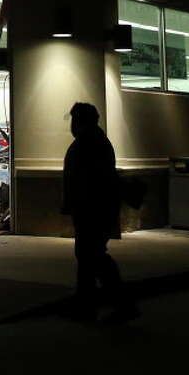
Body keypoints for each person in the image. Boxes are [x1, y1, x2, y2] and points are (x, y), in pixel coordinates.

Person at [62, 102, 140, 323]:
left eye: (75, 120)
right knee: (89, 258)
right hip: (94, 209)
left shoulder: (90, 143)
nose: (72, 125)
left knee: (92, 257)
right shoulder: (96, 141)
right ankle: (88, 307)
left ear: (82, 121)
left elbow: (88, 180)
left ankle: (118, 305)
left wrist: (75, 204)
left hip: (92, 211)